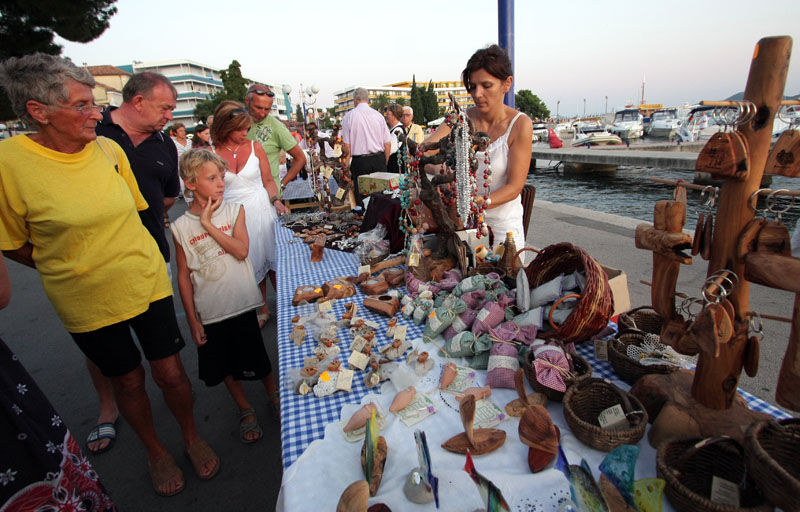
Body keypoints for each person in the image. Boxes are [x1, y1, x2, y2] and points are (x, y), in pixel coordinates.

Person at [0, 53, 218, 497]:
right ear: (38, 111)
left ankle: (192, 436)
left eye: (93, 103)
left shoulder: (108, 149)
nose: (96, 114)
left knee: (171, 373)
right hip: (85, 298)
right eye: (81, 105)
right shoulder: (9, 162)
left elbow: (141, 210)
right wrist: (67, 263)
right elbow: (12, 242)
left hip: (144, 279)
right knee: (127, 380)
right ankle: (155, 451)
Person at [92, 71, 182, 456]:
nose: (169, 115)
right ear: (138, 101)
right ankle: (108, 406)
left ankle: (186, 427)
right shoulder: (93, 133)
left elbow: (167, 197)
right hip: (95, 270)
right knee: (114, 362)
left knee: (167, 362)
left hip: (151, 258)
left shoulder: (165, 143)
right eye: (165, 108)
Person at [171, 149, 281, 441]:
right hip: (210, 310)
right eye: (212, 178)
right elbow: (183, 275)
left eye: (221, 177)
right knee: (225, 365)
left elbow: (241, 250)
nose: (221, 183)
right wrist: (192, 319)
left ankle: (273, 394)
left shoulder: (234, 211)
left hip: (241, 303)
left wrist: (208, 224)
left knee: (258, 357)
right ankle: (244, 407)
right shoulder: (180, 227)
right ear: (190, 183)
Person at [0, 255, 118, 511]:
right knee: (98, 344)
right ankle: (108, 407)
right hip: (75, 282)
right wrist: (55, 260)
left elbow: (1, 293)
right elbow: (12, 246)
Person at [423, 44, 532, 246]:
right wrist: (447, 172)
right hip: (462, 225)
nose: (477, 94)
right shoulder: (460, 119)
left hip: (503, 231)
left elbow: (514, 187)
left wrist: (477, 203)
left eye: (486, 86)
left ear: (507, 84)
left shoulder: (520, 125)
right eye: (473, 87)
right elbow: (425, 151)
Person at [212, 100, 288, 327]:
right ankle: (261, 306)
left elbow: (268, 181)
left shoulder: (256, 147)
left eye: (247, 128)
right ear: (225, 127)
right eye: (240, 129)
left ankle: (285, 303)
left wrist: (276, 200)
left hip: (261, 208)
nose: (245, 133)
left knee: (274, 260)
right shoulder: (211, 154)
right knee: (247, 262)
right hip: (232, 215)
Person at [244, 84, 306, 194]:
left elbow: (300, 158)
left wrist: (281, 185)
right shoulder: (236, 123)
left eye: (267, 109)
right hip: (240, 192)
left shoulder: (277, 127)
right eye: (258, 108)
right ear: (247, 101)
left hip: (268, 193)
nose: (262, 113)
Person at [340, 87, 392, 207]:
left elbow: (347, 147)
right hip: (379, 159)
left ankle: (364, 217)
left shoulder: (349, 116)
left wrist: (346, 168)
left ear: (355, 99)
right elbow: (387, 143)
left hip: (360, 162)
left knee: (363, 198)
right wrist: (384, 161)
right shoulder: (378, 116)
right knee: (382, 197)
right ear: (367, 99)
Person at [384, 104, 405, 173]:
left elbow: (390, 149)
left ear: (394, 115)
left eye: (388, 114)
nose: (386, 116)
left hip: (395, 168)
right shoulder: (393, 129)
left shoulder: (398, 130)